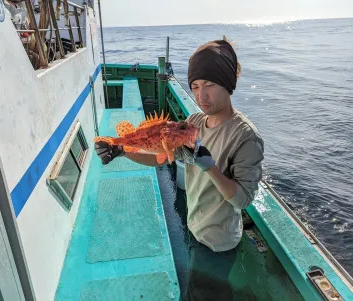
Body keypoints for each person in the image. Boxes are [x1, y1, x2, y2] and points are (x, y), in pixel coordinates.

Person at [95, 37, 264, 301]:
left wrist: (210, 167)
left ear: (228, 83)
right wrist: (123, 151)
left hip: (217, 242)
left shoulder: (245, 137)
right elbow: (162, 156)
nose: (201, 96)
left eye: (209, 85)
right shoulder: (195, 121)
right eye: (195, 86)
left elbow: (243, 199)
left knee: (202, 295)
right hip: (194, 227)